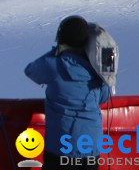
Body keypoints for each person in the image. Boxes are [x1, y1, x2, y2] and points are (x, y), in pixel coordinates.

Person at [25, 15, 111, 167]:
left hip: (60, 148)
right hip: (90, 148)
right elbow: (103, 97)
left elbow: (31, 70)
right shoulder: (97, 69)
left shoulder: (54, 65)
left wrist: (56, 51)